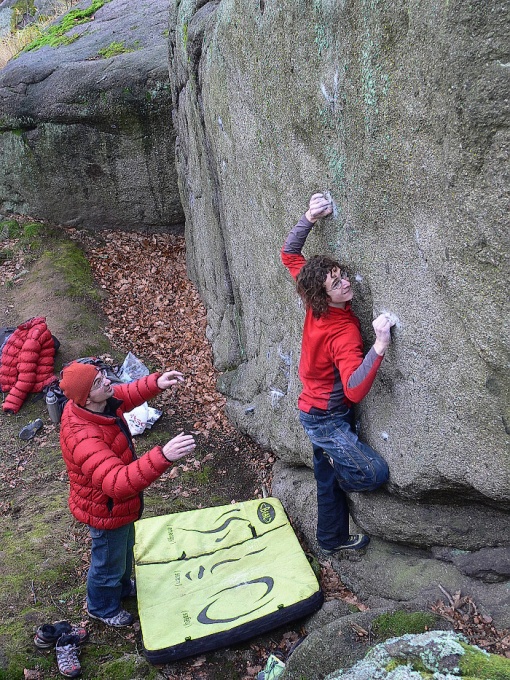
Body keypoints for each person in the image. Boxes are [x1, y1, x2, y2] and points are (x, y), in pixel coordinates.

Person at [281, 193, 393, 555]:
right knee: (373, 473)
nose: (346, 283)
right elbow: (354, 389)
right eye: (336, 283)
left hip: (315, 410)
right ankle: (333, 460)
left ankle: (331, 540)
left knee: (326, 482)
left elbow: (289, 255)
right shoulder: (342, 332)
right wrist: (378, 344)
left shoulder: (312, 297)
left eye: (342, 275)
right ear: (324, 295)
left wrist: (310, 217)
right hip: (326, 418)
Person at [59, 361, 196, 627]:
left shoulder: (97, 404)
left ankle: (121, 587)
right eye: (99, 383)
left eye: (103, 377)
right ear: (86, 398)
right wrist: (163, 456)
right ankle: (102, 607)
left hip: (119, 507)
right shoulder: (84, 437)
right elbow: (117, 483)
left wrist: (156, 382)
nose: (108, 382)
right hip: (106, 510)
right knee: (107, 563)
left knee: (123, 551)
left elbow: (126, 394)